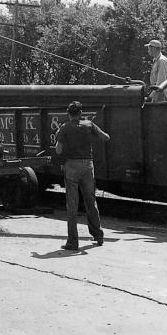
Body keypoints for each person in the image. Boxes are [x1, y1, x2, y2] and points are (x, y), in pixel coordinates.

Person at [55, 101, 111, 250]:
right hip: (88, 166)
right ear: (80, 113)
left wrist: (60, 138)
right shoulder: (89, 125)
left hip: (72, 166)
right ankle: (98, 236)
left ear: (68, 114)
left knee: (72, 205)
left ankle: (73, 242)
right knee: (90, 201)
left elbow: (58, 150)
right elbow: (106, 137)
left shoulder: (64, 128)